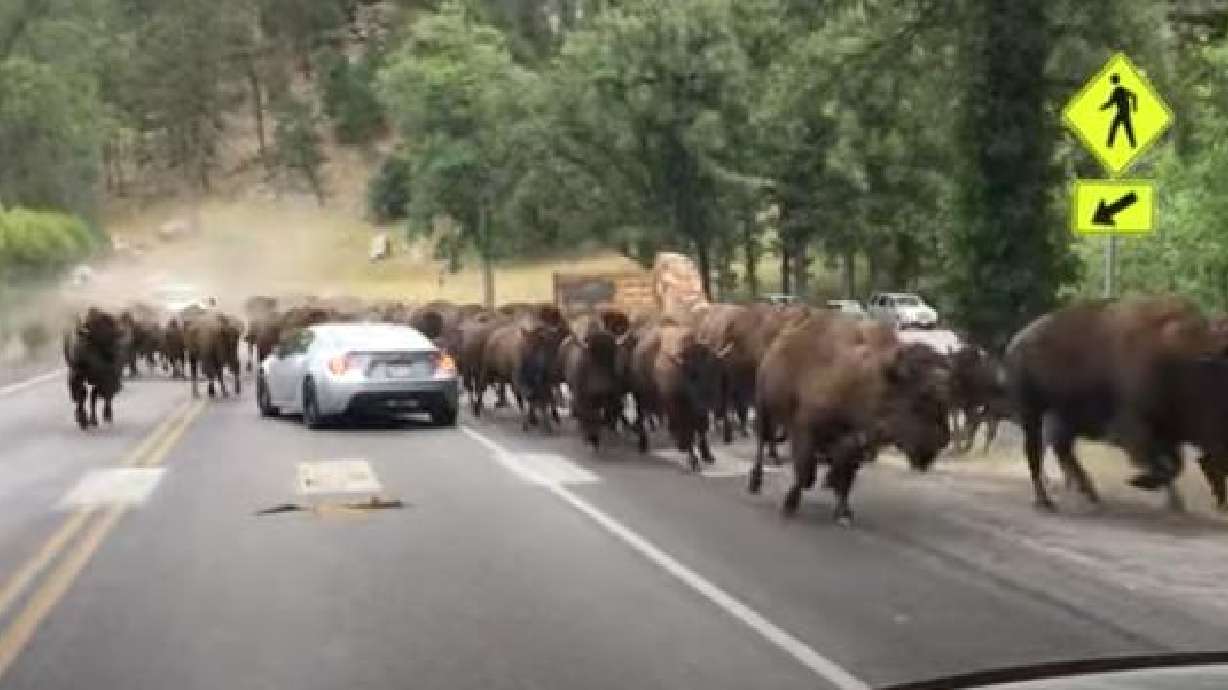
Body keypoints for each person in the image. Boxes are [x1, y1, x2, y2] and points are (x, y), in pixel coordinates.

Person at [1100, 73, 1138, 149]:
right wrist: (1134, 107)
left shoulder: (1118, 89)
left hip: (1122, 112)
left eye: (1112, 80)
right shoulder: (1120, 89)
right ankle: (1133, 144)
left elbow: (1111, 102)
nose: (1111, 81)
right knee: (1127, 128)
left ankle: (1110, 144)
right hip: (1125, 112)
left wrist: (1103, 107)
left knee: (1115, 127)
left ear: (1114, 80)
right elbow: (1134, 95)